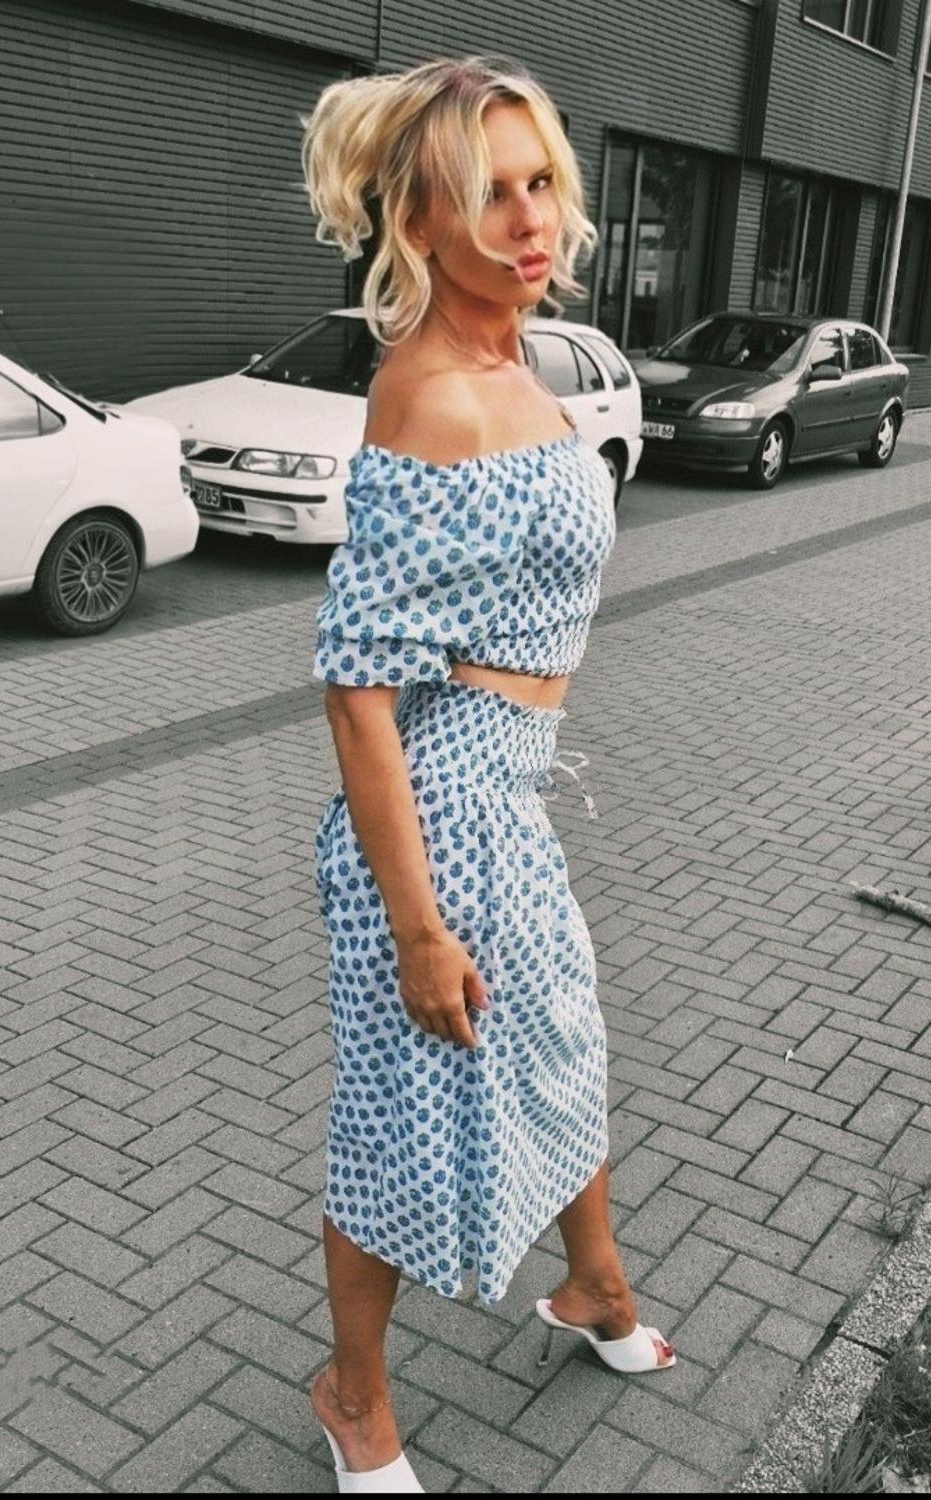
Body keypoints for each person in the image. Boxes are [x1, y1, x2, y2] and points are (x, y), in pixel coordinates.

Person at [301, 54, 675, 1494]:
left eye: (541, 185)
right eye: (489, 195)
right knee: (407, 1124)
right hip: (444, 815)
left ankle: (596, 1284)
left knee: (563, 1044)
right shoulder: (431, 397)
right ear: (420, 223)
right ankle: (353, 1398)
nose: (530, 221)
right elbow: (356, 692)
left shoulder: (519, 362)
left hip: (507, 796)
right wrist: (418, 929)